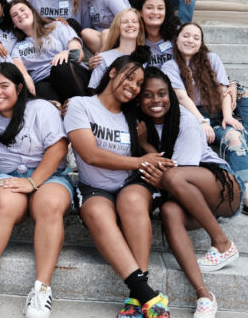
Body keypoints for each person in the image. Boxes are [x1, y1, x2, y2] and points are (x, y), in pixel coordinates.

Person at [63, 48, 173, 318]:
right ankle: (146, 295)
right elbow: (90, 154)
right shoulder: (80, 105)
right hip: (94, 188)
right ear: (112, 72)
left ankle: (137, 298)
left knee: (133, 200)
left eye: (138, 84)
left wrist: (145, 151)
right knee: (95, 212)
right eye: (129, 78)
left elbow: (147, 150)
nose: (134, 87)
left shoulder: (132, 116)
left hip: (129, 185)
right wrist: (141, 161)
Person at [134, 67, 244, 318]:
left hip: (222, 188)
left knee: (172, 176)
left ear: (170, 96)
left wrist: (146, 146)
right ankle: (204, 295)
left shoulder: (184, 120)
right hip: (188, 198)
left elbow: (174, 173)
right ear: (139, 100)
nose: (156, 100)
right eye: (148, 95)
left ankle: (222, 242)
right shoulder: (143, 124)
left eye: (162, 94)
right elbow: (167, 178)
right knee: (170, 212)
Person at [0, 63, 73, 318]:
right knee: (4, 206)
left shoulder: (40, 109)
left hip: (49, 175)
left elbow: (59, 148)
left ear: (18, 87)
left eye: (4, 86)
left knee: (49, 206)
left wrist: (32, 182)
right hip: (6, 176)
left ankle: (41, 290)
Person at [161, 22, 248, 221]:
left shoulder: (211, 59)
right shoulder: (170, 66)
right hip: (189, 117)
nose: (191, 41)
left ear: (201, 42)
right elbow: (181, 97)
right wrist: (201, 122)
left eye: (196, 38)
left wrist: (228, 116)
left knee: (235, 139)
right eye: (186, 36)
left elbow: (224, 91)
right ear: (177, 39)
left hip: (216, 114)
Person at [8, 0, 88, 105]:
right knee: (40, 89)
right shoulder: (18, 47)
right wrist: (26, 77)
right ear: (13, 23)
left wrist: (67, 53)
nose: (20, 15)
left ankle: (83, 107)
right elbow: (19, 66)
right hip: (43, 82)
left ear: (32, 11)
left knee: (60, 68)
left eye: (22, 10)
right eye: (14, 15)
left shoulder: (57, 27)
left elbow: (79, 54)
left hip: (68, 73)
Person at [87, 8, 145, 92]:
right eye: (125, 22)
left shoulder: (146, 58)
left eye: (134, 22)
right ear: (118, 27)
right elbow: (93, 90)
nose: (130, 25)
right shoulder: (103, 58)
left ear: (140, 27)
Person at [135, 0, 181, 69]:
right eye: (149, 8)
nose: (155, 12)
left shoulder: (179, 33)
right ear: (140, 12)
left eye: (160, 8)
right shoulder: (134, 37)